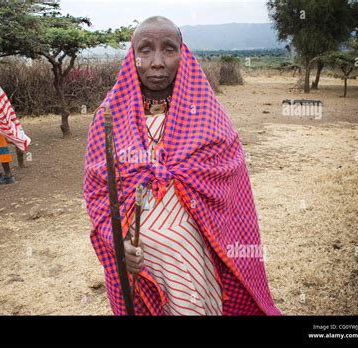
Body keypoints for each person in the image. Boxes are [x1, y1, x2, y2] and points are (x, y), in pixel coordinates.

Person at [84, 16, 280, 316]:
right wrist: (119, 243)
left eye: (169, 49)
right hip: (137, 262)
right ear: (132, 56)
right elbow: (98, 194)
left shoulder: (207, 113)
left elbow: (231, 185)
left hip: (196, 258)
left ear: (183, 54)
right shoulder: (108, 117)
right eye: (146, 50)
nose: (157, 62)